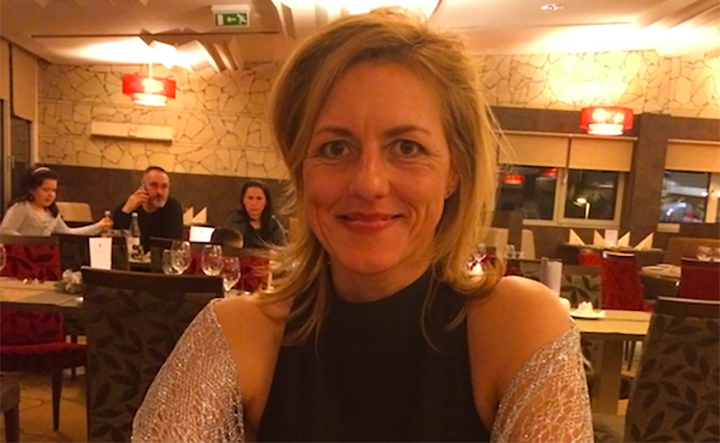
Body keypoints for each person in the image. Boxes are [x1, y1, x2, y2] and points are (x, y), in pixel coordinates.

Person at [133, 9, 592, 443]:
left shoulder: (516, 325)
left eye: (407, 147)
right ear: (301, 171)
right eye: (335, 148)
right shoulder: (239, 332)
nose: (369, 184)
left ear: (454, 171)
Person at [0, 164, 112, 236]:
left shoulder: (52, 214)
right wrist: (28, 243)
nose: (50, 195)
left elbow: (68, 233)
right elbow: (5, 231)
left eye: (53, 191)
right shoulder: (22, 208)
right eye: (45, 190)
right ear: (31, 189)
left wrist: (98, 226)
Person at [112, 166, 183, 250]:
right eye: (153, 185)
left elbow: (173, 245)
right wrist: (126, 211)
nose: (159, 192)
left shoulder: (173, 208)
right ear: (143, 186)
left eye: (164, 186)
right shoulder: (129, 207)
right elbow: (116, 243)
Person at [223, 180, 287, 249]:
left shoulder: (274, 227)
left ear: (266, 202)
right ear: (243, 200)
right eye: (250, 198)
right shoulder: (234, 222)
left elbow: (282, 251)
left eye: (259, 198)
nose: (254, 203)